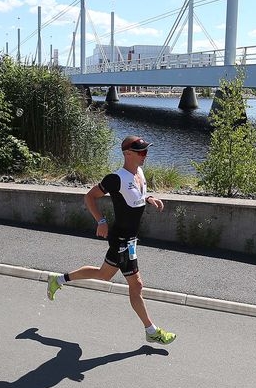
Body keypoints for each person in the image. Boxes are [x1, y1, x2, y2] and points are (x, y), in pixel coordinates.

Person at [46, 136, 175, 345]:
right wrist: (101, 220)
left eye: (146, 151)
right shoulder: (116, 178)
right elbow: (89, 197)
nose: (145, 155)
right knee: (137, 285)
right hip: (121, 240)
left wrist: (150, 199)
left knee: (103, 274)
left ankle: (58, 279)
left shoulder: (139, 173)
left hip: (130, 240)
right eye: (141, 152)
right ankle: (151, 330)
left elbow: (137, 196)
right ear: (127, 154)